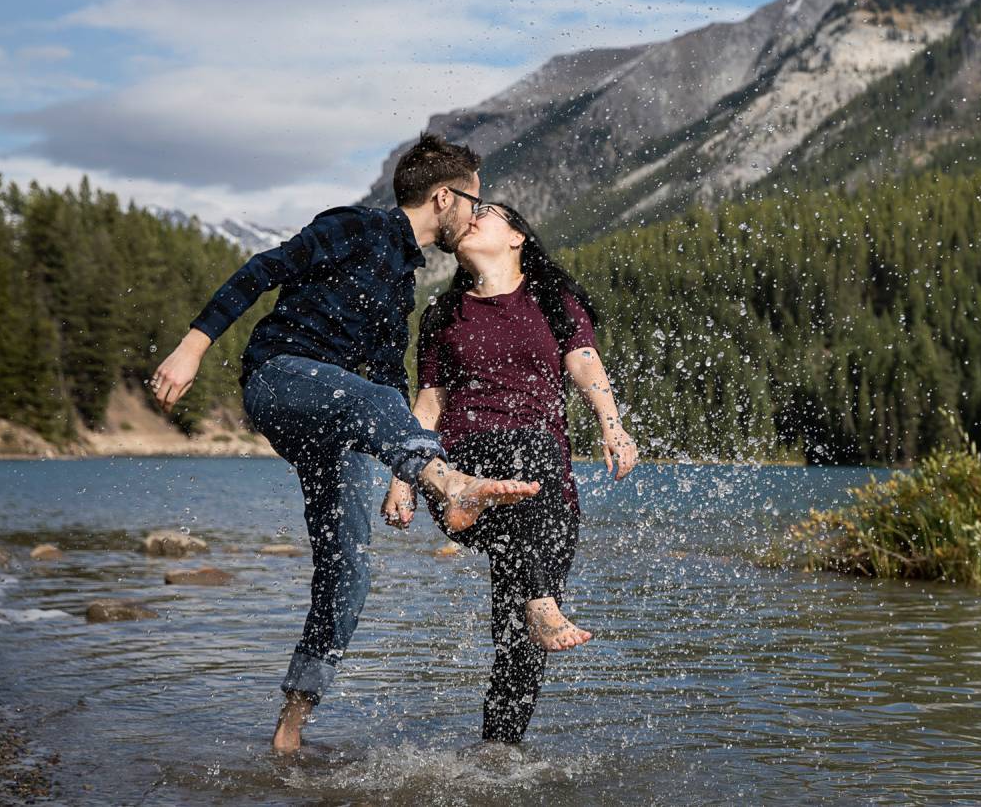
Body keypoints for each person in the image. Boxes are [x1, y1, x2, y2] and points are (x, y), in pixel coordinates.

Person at [149, 133, 541, 754]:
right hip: (283, 379)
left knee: (348, 569)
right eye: (474, 200)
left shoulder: (405, 282)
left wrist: (398, 477)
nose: (476, 213)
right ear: (444, 197)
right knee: (373, 398)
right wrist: (193, 346)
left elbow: (390, 381)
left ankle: (290, 727)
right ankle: (451, 482)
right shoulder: (353, 226)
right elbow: (263, 270)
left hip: (349, 422)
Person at [381, 200, 638, 744]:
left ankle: (499, 756)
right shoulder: (444, 315)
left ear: (518, 236)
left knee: (518, 644)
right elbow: (429, 404)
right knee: (527, 451)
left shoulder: (552, 299)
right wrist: (403, 475)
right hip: (465, 469)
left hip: (546, 489)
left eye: (490, 211)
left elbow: (585, 363)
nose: (473, 216)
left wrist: (612, 427)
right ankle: (529, 586)